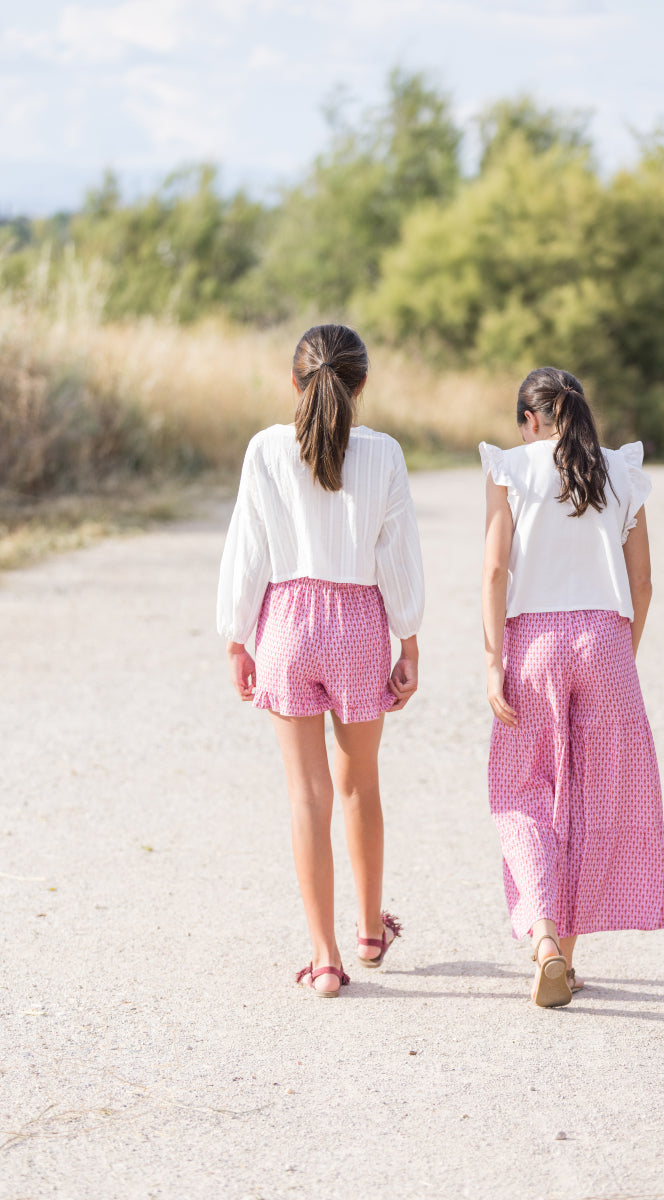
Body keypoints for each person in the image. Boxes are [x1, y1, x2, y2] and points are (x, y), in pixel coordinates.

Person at [217, 324, 424, 998]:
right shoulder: (384, 452)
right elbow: (396, 553)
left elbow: (247, 549)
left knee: (306, 794)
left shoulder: (265, 449)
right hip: (359, 625)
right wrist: (410, 637)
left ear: (294, 380)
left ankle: (325, 957)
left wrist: (236, 637)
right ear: (360, 384)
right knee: (360, 780)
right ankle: (369, 932)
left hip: (286, 626)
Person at [480, 366, 664, 1008]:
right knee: (593, 795)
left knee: (523, 786)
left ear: (529, 420)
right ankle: (571, 958)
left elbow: (495, 570)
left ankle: (545, 942)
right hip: (605, 641)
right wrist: (625, 653)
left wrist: (491, 658)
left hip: (533, 642)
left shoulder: (511, 467)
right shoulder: (623, 470)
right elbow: (642, 584)